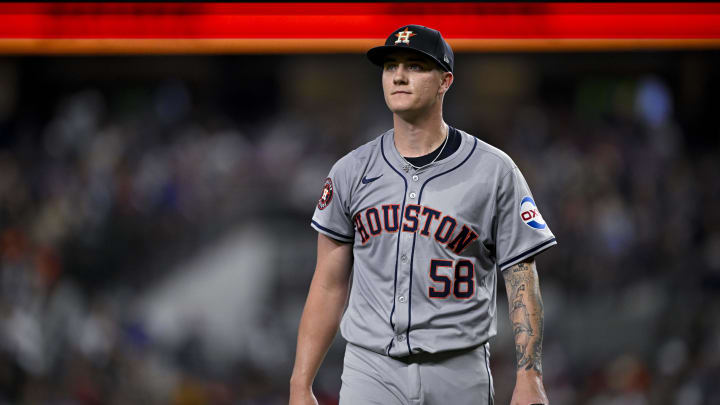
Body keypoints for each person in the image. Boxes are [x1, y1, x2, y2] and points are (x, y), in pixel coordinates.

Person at [290, 24, 556, 405]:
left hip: (459, 369)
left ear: (445, 80)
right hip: (370, 369)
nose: (398, 75)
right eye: (390, 66)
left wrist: (530, 376)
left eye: (415, 66)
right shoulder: (350, 170)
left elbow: (521, 277)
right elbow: (328, 284)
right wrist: (300, 383)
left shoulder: (494, 170)